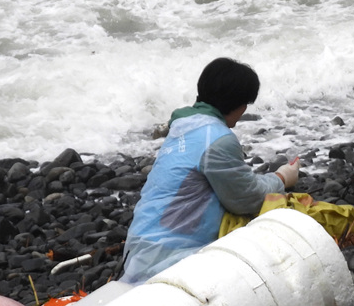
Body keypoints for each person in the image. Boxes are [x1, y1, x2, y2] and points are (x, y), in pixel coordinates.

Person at [120, 57, 300, 283]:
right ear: (238, 103)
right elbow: (247, 198)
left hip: (137, 246)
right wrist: (282, 177)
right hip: (169, 257)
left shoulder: (183, 125)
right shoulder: (217, 139)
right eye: (246, 103)